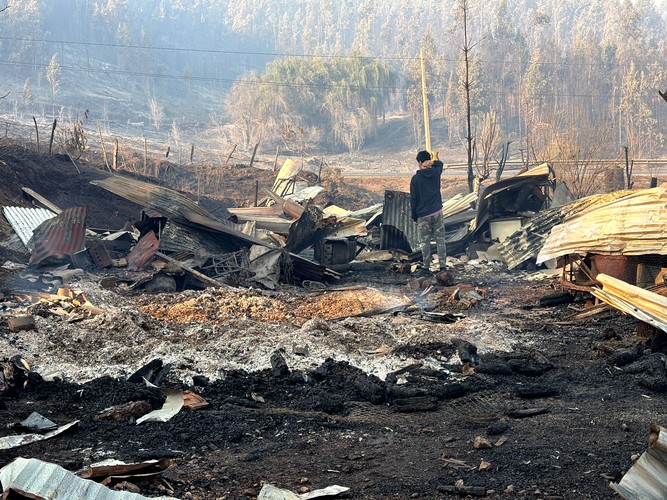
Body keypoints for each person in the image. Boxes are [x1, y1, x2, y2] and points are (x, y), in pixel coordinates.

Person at [410, 150, 447, 273]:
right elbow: (440, 163)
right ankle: (442, 267)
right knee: (440, 239)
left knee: (425, 242)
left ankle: (426, 267)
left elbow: (413, 200)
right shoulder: (436, 173)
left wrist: (414, 216)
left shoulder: (415, 179)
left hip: (423, 215)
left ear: (420, 162)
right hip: (437, 213)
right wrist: (432, 162)